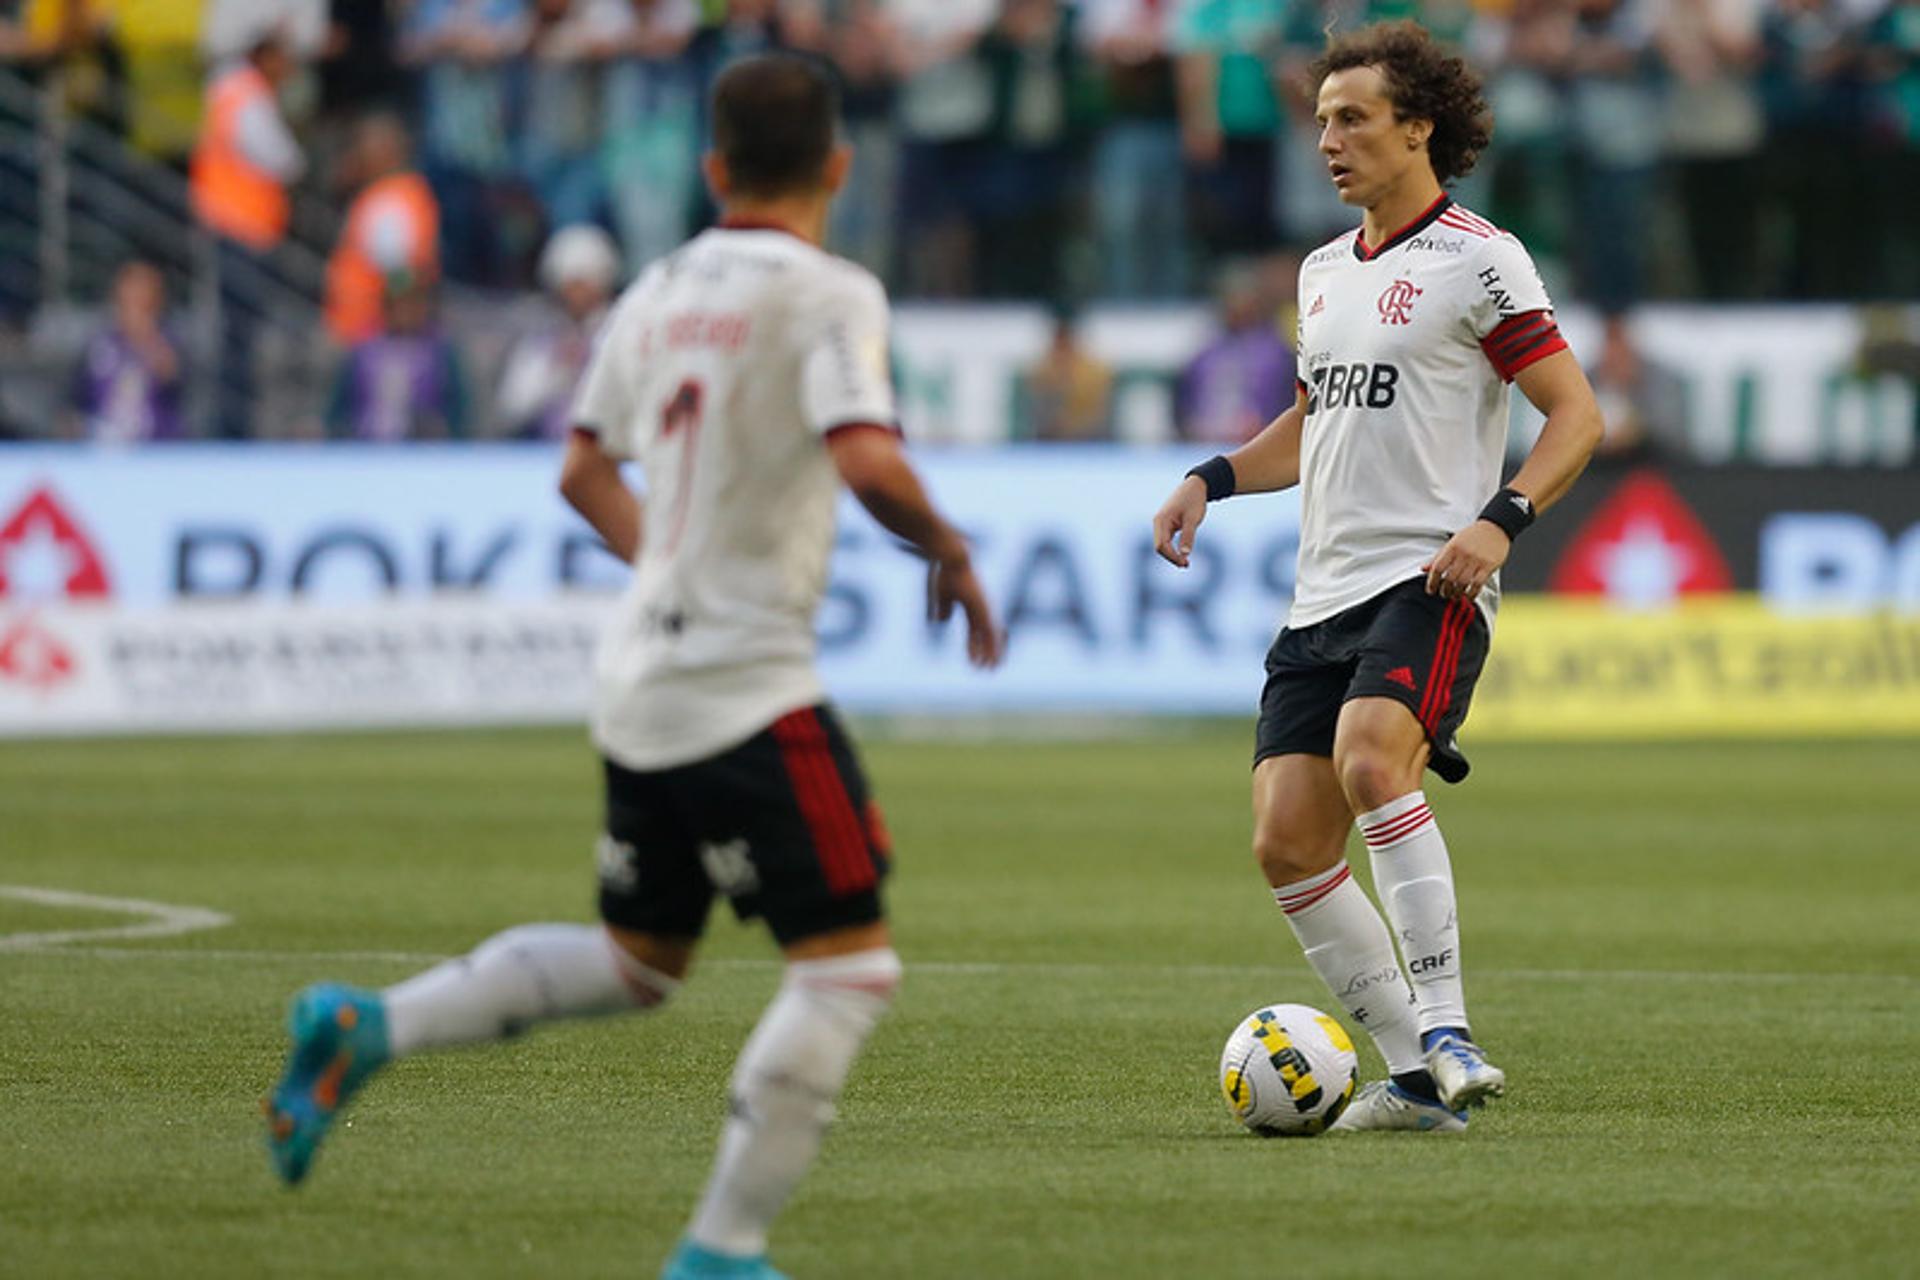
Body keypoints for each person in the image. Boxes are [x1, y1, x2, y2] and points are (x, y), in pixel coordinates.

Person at [263, 51, 1003, 1280]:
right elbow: (868, 458)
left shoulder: (655, 289)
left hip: (641, 675)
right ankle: (721, 1250)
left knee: (639, 959)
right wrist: (951, 546)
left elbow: (580, 468)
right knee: (851, 967)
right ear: (839, 164)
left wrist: (675, 554)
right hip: (744, 681)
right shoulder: (828, 292)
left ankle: (367, 1022)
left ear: (712, 168)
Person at [1150, 20, 1602, 1133]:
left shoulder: (1479, 259)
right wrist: (1212, 475)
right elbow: (1318, 421)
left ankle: (1445, 1023)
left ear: (1419, 127)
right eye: (1321, 122)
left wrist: (1502, 521)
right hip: (1322, 593)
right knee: (1286, 840)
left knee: (1368, 757)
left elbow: (1576, 414)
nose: (1328, 142)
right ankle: (1413, 1078)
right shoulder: (1321, 271)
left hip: (1430, 576)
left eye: (1352, 119)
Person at [189, 22, 305, 438]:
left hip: (233, 227)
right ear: (266, 55)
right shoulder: (245, 93)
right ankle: (233, 427)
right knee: (240, 337)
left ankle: (232, 422)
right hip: (241, 230)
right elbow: (282, 158)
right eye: (284, 59)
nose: (290, 69)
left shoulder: (228, 88)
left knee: (237, 334)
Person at [496, 223, 623, 440]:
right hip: (544, 453)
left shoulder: (621, 332)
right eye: (572, 284)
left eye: (586, 283)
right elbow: (511, 407)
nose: (578, 294)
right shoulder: (541, 339)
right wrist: (555, 370)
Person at [324, 113, 441, 347]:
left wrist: (398, 327)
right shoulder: (398, 192)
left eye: (363, 145)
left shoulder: (390, 198)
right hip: (366, 332)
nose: (357, 154)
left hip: (366, 334)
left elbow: (400, 273)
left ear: (387, 149)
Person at [324, 279, 468, 441]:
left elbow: (459, 413)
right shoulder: (363, 351)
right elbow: (338, 410)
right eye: (400, 304)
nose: (407, 312)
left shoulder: (440, 352)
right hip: (364, 447)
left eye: (414, 304)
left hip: (425, 451)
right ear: (388, 308)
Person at [67, 260, 185, 443]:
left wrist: (142, 332)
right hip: (99, 443)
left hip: (156, 446)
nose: (136, 294)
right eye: (132, 286)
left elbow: (174, 381)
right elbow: (75, 398)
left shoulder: (171, 341)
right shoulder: (99, 342)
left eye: (144, 287)